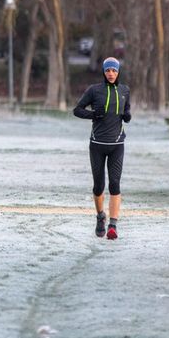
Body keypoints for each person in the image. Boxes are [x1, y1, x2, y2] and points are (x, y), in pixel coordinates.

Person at [73, 56, 130, 239]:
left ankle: (113, 226)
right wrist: (93, 114)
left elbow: (126, 109)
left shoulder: (124, 90)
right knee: (99, 186)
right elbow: (77, 110)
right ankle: (100, 216)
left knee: (115, 184)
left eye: (114, 70)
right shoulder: (94, 90)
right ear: (104, 72)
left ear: (118, 71)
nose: (111, 73)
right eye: (108, 70)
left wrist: (127, 115)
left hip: (117, 145)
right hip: (97, 145)